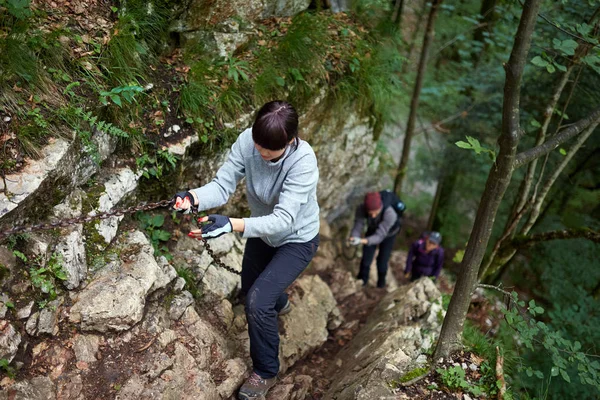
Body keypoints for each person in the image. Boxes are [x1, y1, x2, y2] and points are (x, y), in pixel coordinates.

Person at [171, 101, 320, 400]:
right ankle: (279, 302)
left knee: (255, 302)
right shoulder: (246, 142)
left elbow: (283, 220)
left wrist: (231, 224)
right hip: (261, 234)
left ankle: (265, 372)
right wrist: (193, 196)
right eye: (258, 145)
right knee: (254, 290)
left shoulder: (303, 162)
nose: (262, 154)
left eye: (270, 150)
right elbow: (223, 185)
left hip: (297, 239)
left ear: (290, 141)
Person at [348, 191, 402, 288]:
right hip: (373, 229)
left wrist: (362, 241)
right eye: (370, 213)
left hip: (389, 234)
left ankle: (381, 285)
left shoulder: (390, 213)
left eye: (375, 213)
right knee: (366, 257)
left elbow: (380, 236)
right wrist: (354, 237)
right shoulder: (361, 208)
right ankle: (362, 282)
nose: (373, 216)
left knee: (382, 260)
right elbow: (358, 225)